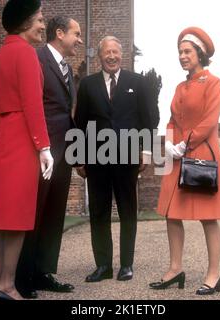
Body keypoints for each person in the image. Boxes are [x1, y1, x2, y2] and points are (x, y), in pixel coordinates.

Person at [149, 27, 220, 295]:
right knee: (172, 214)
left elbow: (210, 120)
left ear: (200, 54)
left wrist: (187, 142)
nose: (182, 56)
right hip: (177, 155)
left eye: (187, 51)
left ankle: (214, 275)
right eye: (180, 52)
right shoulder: (180, 86)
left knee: (208, 217)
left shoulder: (213, 82)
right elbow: (172, 117)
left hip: (201, 154)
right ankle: (174, 269)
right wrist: (170, 142)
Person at [0, 0, 54, 300]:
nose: (42, 25)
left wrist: (4, 139)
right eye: (39, 19)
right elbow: (33, 105)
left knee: (4, 219)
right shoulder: (26, 54)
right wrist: (44, 147)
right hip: (24, 139)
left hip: (5, 139)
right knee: (17, 218)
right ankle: (7, 286)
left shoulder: (1, 55)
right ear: (26, 22)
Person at [74, 36, 153, 282]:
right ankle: (103, 266)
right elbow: (80, 123)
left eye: (115, 52)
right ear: (99, 56)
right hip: (96, 160)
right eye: (107, 52)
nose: (111, 56)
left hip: (127, 158)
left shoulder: (137, 83)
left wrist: (147, 151)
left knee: (128, 212)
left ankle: (126, 265)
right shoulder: (87, 85)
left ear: (122, 55)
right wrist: (78, 158)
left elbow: (147, 120)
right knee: (99, 212)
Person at [16, 16, 83, 298]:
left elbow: (66, 113)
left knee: (54, 213)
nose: (79, 39)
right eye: (76, 34)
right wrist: (41, 147)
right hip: (42, 152)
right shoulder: (36, 59)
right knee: (35, 212)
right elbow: (31, 106)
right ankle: (23, 277)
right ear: (59, 33)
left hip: (64, 151)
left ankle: (44, 272)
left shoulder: (66, 68)